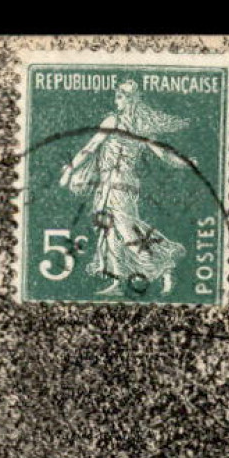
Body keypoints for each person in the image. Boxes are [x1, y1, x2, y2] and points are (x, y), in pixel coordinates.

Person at [59, 78, 190, 297]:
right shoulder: (140, 127)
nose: (116, 100)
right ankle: (118, 281)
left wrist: (68, 170)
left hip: (118, 184)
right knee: (108, 231)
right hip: (112, 184)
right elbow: (164, 154)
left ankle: (164, 266)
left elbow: (90, 148)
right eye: (117, 96)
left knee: (126, 230)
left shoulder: (114, 121)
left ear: (130, 100)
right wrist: (184, 162)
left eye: (120, 96)